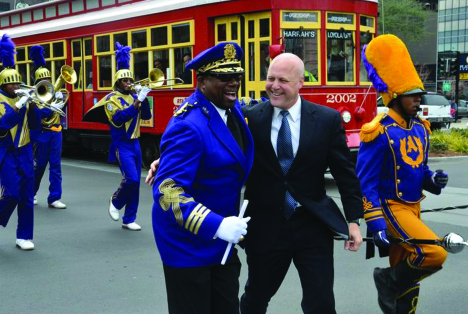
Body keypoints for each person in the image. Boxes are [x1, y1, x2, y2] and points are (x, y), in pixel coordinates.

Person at [239, 52, 363, 314]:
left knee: (320, 303)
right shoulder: (251, 118)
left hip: (312, 225)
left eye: (282, 80)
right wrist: (166, 161)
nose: (274, 85)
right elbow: (220, 152)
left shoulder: (326, 120)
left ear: (300, 83)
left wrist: (353, 220)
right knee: (255, 299)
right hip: (265, 227)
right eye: (270, 78)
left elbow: (345, 174)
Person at [148, 42, 254, 314]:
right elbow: (167, 192)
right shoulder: (188, 126)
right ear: (203, 81)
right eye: (224, 77)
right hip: (189, 246)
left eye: (237, 76)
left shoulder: (230, 108)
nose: (233, 83)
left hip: (222, 242)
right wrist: (217, 226)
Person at [357, 34, 449, 314]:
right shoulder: (378, 130)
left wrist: (433, 180)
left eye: (419, 93)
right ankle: (386, 280)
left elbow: (419, 170)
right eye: (412, 94)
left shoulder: (421, 128)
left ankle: (395, 293)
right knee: (434, 253)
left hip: (415, 207)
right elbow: (366, 184)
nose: (419, 99)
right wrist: (375, 225)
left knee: (409, 270)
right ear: (395, 96)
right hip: (391, 209)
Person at [83, 42, 151, 231]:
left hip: (136, 142)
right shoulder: (111, 99)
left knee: (136, 183)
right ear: (118, 83)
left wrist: (144, 100)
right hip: (122, 144)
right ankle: (115, 200)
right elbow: (119, 118)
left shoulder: (134, 96)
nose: (130, 83)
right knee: (132, 179)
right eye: (126, 81)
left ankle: (129, 218)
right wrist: (137, 102)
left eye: (131, 80)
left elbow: (146, 117)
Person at [0, 33, 41, 250]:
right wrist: (19, 106)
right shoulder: (2, 100)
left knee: (26, 194)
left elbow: (36, 126)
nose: (16, 87)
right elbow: (3, 125)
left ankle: (23, 236)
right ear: (4, 85)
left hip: (25, 150)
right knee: (12, 193)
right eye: (12, 84)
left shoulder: (23, 98)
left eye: (17, 83)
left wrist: (32, 107)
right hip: (6, 151)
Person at [30, 45, 67, 209]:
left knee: (56, 165)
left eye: (48, 80)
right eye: (42, 80)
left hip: (57, 132)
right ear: (37, 82)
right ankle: (31, 192)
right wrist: (52, 105)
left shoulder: (53, 91)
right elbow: (39, 115)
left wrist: (61, 102)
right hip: (43, 133)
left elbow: (61, 111)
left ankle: (54, 197)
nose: (47, 83)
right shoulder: (33, 95)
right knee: (40, 165)